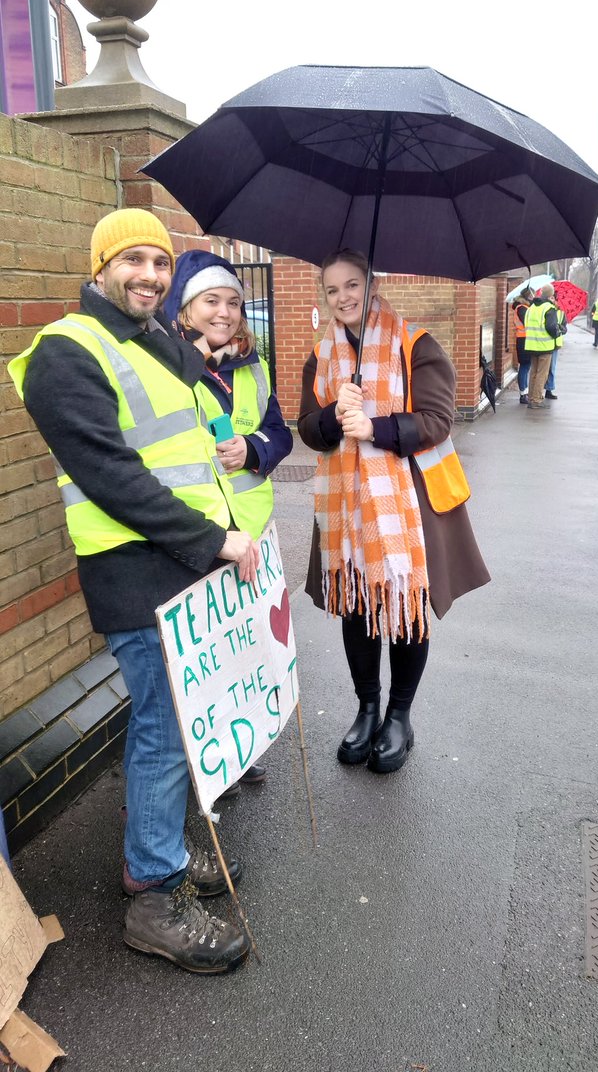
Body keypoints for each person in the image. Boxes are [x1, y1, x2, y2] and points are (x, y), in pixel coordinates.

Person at [8, 209, 260, 976]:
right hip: (137, 571)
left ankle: (165, 852)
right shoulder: (67, 350)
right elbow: (110, 474)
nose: (150, 274)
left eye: (159, 261)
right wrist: (216, 539)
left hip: (182, 570)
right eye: (133, 260)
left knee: (178, 727)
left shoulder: (157, 342)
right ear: (99, 268)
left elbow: (194, 440)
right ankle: (154, 894)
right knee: (160, 729)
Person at [298, 249, 490, 774]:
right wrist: (337, 419)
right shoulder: (322, 356)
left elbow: (437, 420)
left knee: (404, 605)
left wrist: (376, 428)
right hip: (345, 507)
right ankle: (367, 708)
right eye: (333, 289)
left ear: (372, 284)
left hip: (412, 504)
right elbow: (308, 429)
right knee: (359, 604)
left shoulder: (416, 345)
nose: (343, 298)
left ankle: (400, 716)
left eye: (352, 285)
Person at [164, 250, 293, 794]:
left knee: (242, 648)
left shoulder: (253, 366)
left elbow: (280, 432)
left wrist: (255, 448)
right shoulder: (167, 363)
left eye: (233, 302)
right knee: (205, 661)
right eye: (211, 301)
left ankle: (237, 749)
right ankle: (205, 762)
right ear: (186, 308)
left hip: (251, 535)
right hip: (199, 538)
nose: (224, 312)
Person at [524, 283, 560, 409]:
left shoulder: (532, 307)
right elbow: (551, 327)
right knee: (541, 373)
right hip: (544, 346)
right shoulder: (549, 308)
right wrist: (558, 332)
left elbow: (526, 324)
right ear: (551, 295)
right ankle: (537, 399)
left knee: (533, 372)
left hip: (531, 344)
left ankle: (530, 398)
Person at [511, 287, 534, 404]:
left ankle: (524, 392)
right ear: (528, 296)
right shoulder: (522, 308)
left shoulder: (524, 307)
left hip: (524, 339)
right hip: (523, 339)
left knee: (526, 366)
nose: (534, 296)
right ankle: (523, 393)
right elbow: (528, 323)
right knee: (524, 366)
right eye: (532, 294)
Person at [544, 291, 568, 400]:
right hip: (544, 343)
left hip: (555, 344)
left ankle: (549, 389)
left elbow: (564, 328)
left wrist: (559, 328)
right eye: (550, 298)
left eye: (554, 298)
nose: (552, 300)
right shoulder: (546, 309)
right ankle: (539, 390)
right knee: (542, 369)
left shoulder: (561, 313)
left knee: (551, 368)